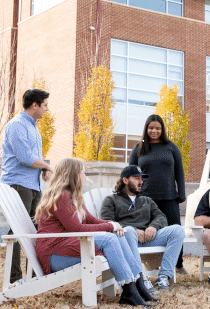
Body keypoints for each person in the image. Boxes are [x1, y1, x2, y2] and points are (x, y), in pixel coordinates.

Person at [34, 158, 157, 307]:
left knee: (119, 234)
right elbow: (77, 229)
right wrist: (109, 228)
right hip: (54, 254)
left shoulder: (74, 196)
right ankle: (129, 289)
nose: (85, 177)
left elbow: (91, 220)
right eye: (83, 173)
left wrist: (113, 224)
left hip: (68, 246)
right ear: (73, 175)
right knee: (110, 239)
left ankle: (137, 283)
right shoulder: (62, 196)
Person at [100, 165, 185, 292]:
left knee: (177, 230)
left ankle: (164, 276)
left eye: (141, 179)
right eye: (136, 178)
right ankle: (142, 279)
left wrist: (153, 227)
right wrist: (133, 230)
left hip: (147, 238)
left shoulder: (146, 200)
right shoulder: (111, 200)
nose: (141, 182)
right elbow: (107, 223)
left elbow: (161, 217)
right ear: (125, 180)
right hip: (126, 241)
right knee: (129, 231)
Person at [0, 89, 54, 286]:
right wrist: (47, 166)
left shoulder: (33, 127)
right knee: (17, 230)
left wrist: (43, 170)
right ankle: (15, 278)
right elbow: (25, 157)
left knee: (34, 229)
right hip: (18, 184)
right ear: (35, 105)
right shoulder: (16, 125)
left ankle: (34, 275)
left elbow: (33, 158)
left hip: (32, 184)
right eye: (45, 105)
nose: (47, 109)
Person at [129, 114, 189, 276]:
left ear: (162, 130)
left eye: (157, 128)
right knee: (148, 233)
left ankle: (178, 265)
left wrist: (181, 195)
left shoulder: (171, 147)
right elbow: (131, 174)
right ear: (146, 129)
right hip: (145, 200)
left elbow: (180, 172)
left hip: (169, 198)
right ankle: (151, 265)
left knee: (176, 230)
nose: (154, 131)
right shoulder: (138, 149)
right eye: (151, 128)